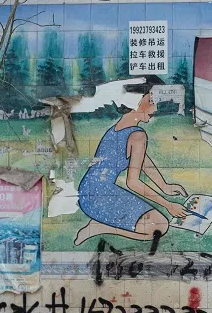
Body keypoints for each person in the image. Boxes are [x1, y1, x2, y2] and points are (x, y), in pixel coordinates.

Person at [74, 76, 189, 245]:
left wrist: (164, 186)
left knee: (156, 223)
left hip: (88, 193)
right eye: (151, 101)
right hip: (100, 198)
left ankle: (101, 224)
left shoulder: (119, 128)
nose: (155, 107)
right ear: (134, 101)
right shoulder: (137, 135)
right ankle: (100, 227)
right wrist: (168, 205)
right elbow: (133, 183)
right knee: (159, 227)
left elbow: (143, 162)